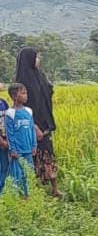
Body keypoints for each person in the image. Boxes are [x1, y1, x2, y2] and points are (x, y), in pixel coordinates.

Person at [14, 47, 62, 197]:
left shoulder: (40, 76)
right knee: (32, 157)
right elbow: (21, 107)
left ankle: (54, 189)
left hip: (45, 122)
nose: (38, 60)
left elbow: (48, 93)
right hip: (31, 125)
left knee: (48, 153)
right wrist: (34, 127)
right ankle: (33, 191)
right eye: (36, 57)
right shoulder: (21, 84)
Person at [5, 83, 37, 198]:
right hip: (17, 151)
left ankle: (28, 194)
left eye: (26, 93)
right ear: (14, 96)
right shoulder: (10, 113)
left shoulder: (29, 111)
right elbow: (10, 133)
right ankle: (18, 196)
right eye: (23, 93)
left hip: (28, 148)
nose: (26, 95)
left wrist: (34, 145)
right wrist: (13, 149)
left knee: (29, 172)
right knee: (17, 173)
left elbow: (32, 129)